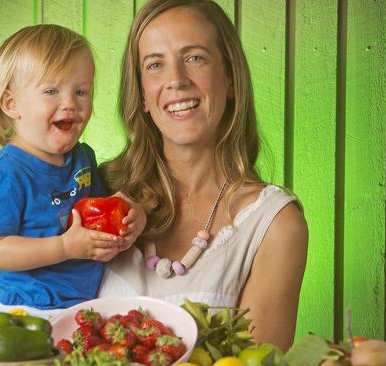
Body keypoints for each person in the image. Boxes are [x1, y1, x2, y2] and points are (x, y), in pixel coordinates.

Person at [98, 0, 308, 350]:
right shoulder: (101, 191)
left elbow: (255, 361)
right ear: (143, 97)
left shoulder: (274, 225)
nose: (176, 81)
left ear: (229, 78)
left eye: (195, 57)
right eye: (154, 64)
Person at [0, 24, 146, 318]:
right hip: (27, 310)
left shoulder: (83, 158)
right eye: (51, 91)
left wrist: (131, 220)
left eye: (81, 91)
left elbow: (97, 218)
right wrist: (64, 247)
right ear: (11, 104)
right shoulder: (6, 176)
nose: (70, 103)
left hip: (84, 307)